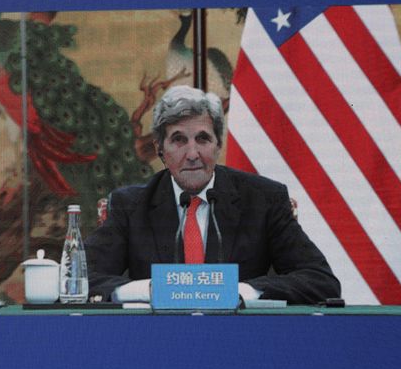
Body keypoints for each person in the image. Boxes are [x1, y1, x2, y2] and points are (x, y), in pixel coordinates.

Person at [85, 85, 339, 305]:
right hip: (158, 340)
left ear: (218, 145)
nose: (193, 153)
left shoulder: (263, 199)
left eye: (203, 139)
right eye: (179, 140)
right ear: (160, 149)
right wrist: (149, 290)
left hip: (239, 340)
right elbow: (82, 279)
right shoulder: (131, 206)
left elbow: (320, 281)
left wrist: (243, 292)